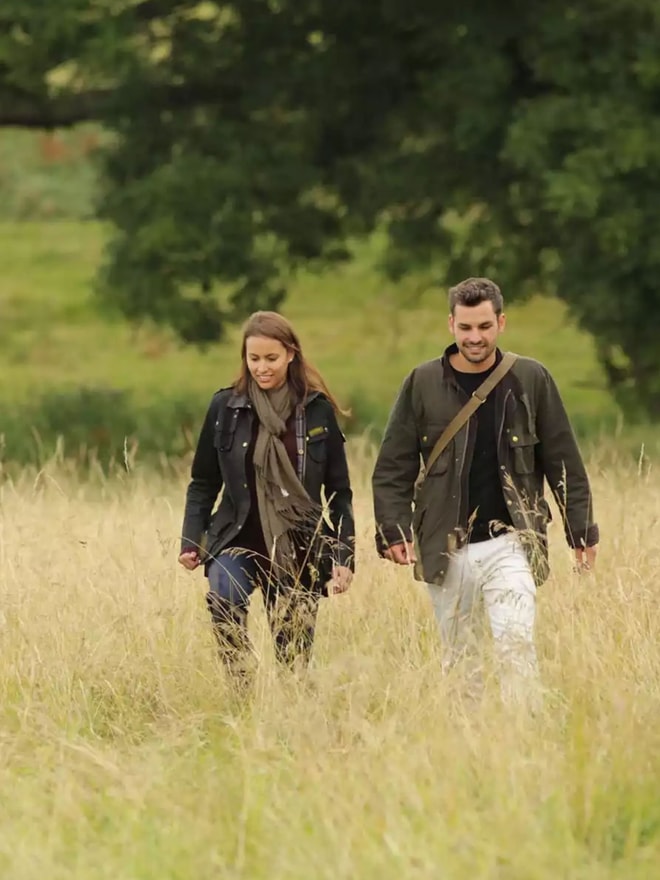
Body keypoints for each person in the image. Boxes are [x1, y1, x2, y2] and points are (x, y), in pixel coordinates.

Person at [372, 277, 599, 695]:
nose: (474, 337)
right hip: (445, 543)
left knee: (516, 645)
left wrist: (580, 529)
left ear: (501, 322)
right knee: (462, 663)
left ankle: (525, 741)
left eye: (484, 327)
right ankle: (471, 747)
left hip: (511, 541)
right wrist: (392, 528)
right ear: (451, 325)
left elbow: (563, 460)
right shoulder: (421, 383)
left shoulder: (531, 378)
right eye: (465, 328)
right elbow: (392, 466)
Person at [179, 311, 355, 680]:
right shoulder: (225, 408)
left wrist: (343, 554)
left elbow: (339, 492)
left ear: (291, 354)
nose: (262, 368)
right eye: (253, 358)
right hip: (236, 535)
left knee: (293, 659)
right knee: (224, 597)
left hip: (298, 543)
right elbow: (203, 482)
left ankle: (288, 715)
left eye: (271, 358)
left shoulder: (317, 410)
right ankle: (241, 687)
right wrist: (190, 539)